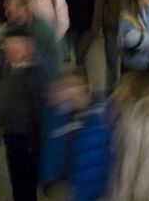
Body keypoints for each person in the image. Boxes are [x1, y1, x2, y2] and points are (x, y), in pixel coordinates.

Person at [38, 71, 113, 201]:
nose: (69, 92)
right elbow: (51, 153)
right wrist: (49, 181)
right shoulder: (58, 119)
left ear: (85, 87)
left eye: (74, 85)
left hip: (95, 191)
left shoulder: (99, 118)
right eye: (65, 87)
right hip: (68, 189)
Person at [0, 36, 48, 201]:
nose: (6, 47)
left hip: (27, 138)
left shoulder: (35, 73)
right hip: (12, 135)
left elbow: (39, 109)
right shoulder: (7, 68)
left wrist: (36, 140)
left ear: (27, 48)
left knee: (26, 181)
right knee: (17, 180)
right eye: (6, 43)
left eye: (14, 43)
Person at [92, 0, 148, 93]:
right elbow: (100, 1)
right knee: (111, 61)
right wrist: (96, 25)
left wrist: (145, 27)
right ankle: (110, 93)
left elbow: (145, 5)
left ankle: (126, 92)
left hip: (131, 28)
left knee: (127, 63)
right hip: (112, 24)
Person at [111, 71, 149, 201]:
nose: (116, 91)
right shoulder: (125, 110)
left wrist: (136, 188)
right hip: (124, 177)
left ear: (131, 91)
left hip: (137, 184)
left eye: (122, 88)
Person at [0, 0, 63, 79]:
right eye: (5, 8)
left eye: (9, 8)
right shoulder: (5, 30)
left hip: (39, 80)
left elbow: (55, 58)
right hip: (14, 83)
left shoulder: (42, 29)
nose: (6, 12)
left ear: (23, 7)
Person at [57, 0, 96, 77]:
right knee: (80, 55)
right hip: (81, 25)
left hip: (79, 26)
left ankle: (80, 78)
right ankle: (82, 78)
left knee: (78, 54)